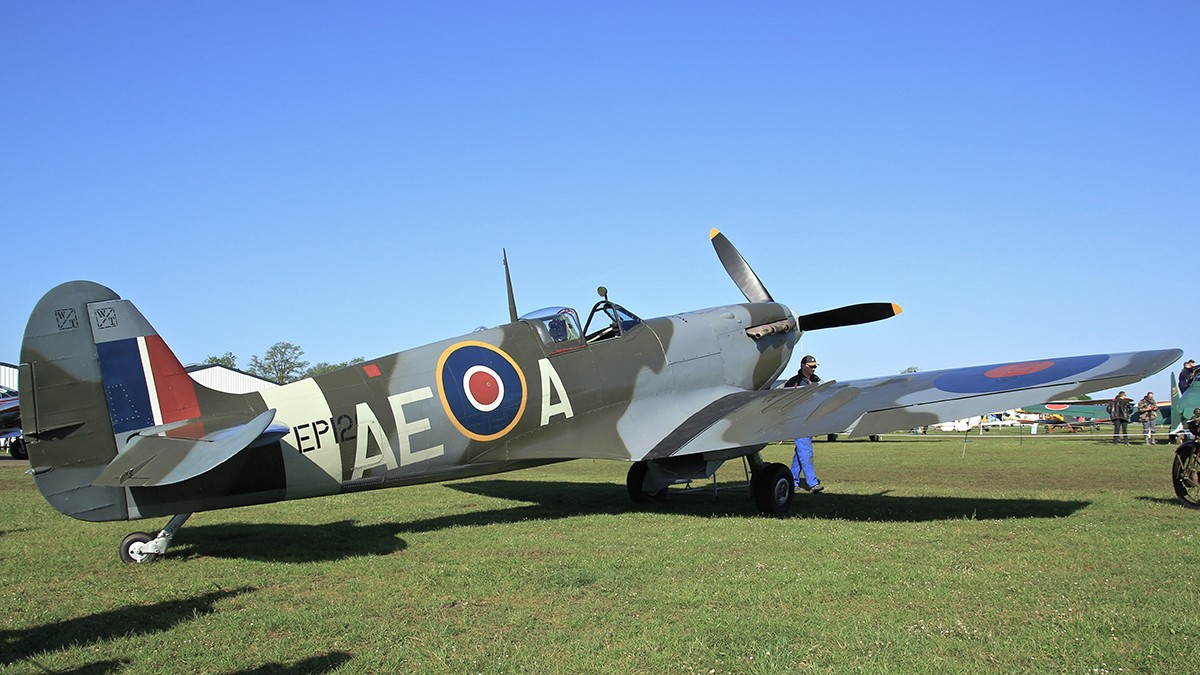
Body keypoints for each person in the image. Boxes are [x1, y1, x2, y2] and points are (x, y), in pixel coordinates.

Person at [784, 355, 823, 492]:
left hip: (811, 420)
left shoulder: (817, 381)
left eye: (815, 366)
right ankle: (812, 483)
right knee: (806, 451)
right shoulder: (793, 383)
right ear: (803, 366)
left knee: (800, 453)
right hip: (798, 421)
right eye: (811, 366)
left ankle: (793, 482)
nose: (814, 369)